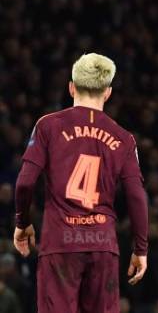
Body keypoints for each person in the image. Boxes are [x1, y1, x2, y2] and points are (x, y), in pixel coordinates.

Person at [13, 53, 149, 313]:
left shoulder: (48, 126)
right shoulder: (124, 137)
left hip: (60, 243)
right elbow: (136, 196)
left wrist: (22, 222)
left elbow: (24, 184)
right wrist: (140, 249)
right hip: (103, 244)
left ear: (71, 87)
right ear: (107, 93)